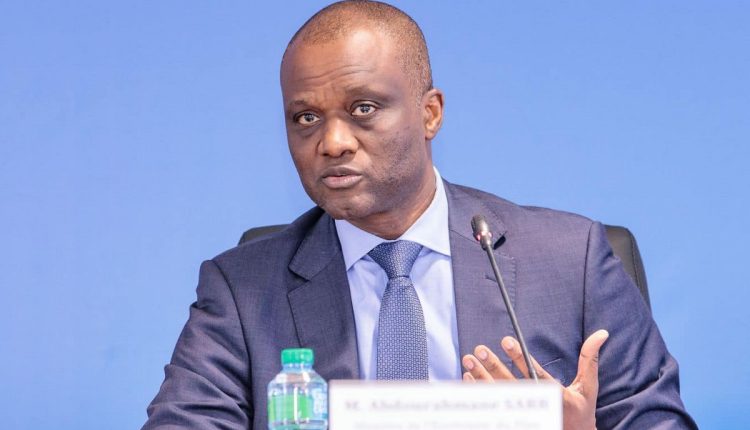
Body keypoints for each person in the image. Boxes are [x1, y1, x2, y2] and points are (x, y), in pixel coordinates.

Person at [142, 1, 696, 429]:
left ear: (430, 114)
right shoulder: (243, 290)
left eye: (363, 109)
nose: (332, 142)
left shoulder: (569, 260)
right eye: (305, 117)